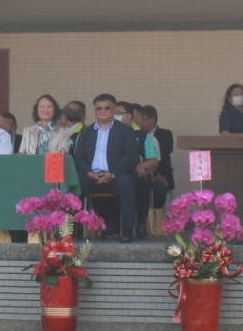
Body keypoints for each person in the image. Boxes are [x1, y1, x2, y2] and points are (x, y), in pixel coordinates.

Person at [72, 93, 142, 238]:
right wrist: (89, 173)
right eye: (99, 108)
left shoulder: (125, 130)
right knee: (72, 183)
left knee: (127, 183)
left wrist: (113, 173)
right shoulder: (86, 132)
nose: (103, 111)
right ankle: (70, 231)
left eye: (107, 108)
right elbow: (78, 158)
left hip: (117, 177)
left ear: (114, 109)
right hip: (91, 176)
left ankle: (127, 231)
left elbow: (131, 157)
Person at [136, 105, 175, 234]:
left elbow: (163, 157)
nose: (139, 122)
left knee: (159, 189)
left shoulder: (165, 134)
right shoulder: (136, 135)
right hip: (144, 173)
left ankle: (157, 219)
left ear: (152, 120)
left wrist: (157, 173)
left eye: (143, 119)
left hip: (162, 173)